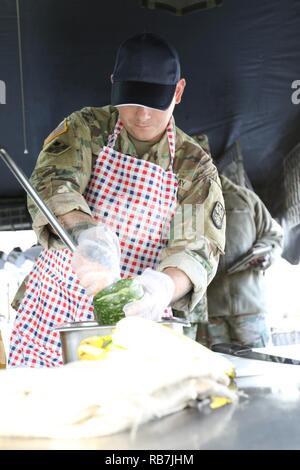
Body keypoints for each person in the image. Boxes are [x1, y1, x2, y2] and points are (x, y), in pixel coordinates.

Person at [8, 32, 226, 367]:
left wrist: (162, 288)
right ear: (114, 85)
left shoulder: (193, 167)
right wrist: (87, 235)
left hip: (136, 316)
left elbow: (196, 249)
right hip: (56, 302)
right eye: (131, 101)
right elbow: (54, 184)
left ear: (178, 91)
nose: (141, 115)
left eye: (154, 103)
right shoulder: (86, 128)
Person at [197, 174, 283, 348]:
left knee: (260, 365)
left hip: (249, 306)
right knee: (219, 369)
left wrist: (264, 255)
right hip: (211, 310)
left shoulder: (246, 198)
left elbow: (274, 236)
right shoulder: (193, 200)